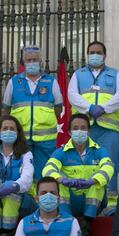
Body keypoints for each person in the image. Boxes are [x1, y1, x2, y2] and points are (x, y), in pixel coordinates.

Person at [68, 41, 119, 215]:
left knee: (110, 164)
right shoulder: (78, 74)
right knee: (85, 165)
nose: (95, 55)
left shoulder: (115, 74)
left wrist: (104, 108)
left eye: (98, 52)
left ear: (104, 55)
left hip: (108, 129)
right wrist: (89, 108)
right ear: (87, 54)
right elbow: (72, 95)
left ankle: (111, 205)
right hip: (85, 129)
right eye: (91, 52)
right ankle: (87, 204)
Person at [42, 114, 114, 235]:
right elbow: (47, 169)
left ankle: (87, 223)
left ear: (88, 131)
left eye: (83, 128)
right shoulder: (61, 152)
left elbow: (109, 167)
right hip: (70, 201)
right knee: (58, 183)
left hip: (93, 205)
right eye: (75, 128)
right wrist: (62, 180)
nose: (79, 131)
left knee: (98, 182)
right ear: (69, 132)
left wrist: (92, 181)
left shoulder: (99, 151)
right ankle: (67, 220)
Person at [2, 45, 62, 186]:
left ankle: (42, 202)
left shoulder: (51, 81)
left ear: (40, 61)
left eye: (35, 59)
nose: (32, 63)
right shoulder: (14, 82)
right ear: (24, 62)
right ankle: (25, 203)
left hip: (46, 140)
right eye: (28, 60)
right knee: (21, 172)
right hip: (21, 139)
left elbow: (59, 108)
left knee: (45, 173)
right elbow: (6, 110)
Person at [0, 115, 34, 234]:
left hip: (23, 199)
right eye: (5, 128)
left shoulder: (26, 153)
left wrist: (14, 186)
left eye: (12, 129)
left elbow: (27, 177)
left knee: (11, 196)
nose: (8, 131)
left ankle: (7, 231)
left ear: (17, 132)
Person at [15, 177, 81, 236]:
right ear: (36, 198)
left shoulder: (71, 222)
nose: (48, 196)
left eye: (52, 193)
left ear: (58, 198)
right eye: (44, 193)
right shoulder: (24, 223)